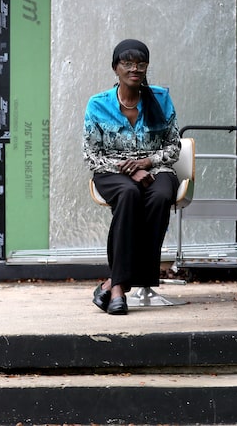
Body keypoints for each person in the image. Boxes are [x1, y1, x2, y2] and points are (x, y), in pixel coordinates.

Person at [83, 39, 181, 315]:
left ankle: (115, 282)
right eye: (127, 63)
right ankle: (117, 289)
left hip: (158, 169)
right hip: (111, 171)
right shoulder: (98, 104)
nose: (134, 69)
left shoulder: (161, 99)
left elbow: (174, 146)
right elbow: (91, 154)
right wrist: (131, 169)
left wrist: (148, 162)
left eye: (140, 64)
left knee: (161, 196)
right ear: (116, 68)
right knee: (129, 194)